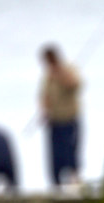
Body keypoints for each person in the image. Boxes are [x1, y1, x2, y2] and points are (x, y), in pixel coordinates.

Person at [38, 44, 82, 187]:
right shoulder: (47, 76)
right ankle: (55, 185)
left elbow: (75, 85)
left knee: (70, 153)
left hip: (69, 120)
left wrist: (60, 73)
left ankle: (74, 181)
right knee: (55, 157)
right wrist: (44, 111)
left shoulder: (68, 69)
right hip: (54, 122)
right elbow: (44, 95)